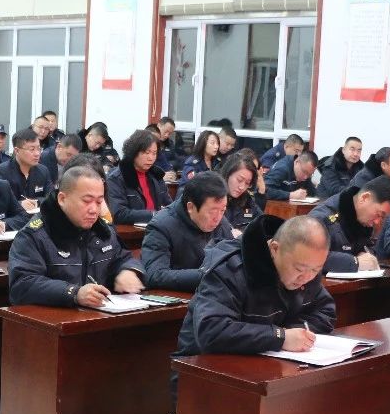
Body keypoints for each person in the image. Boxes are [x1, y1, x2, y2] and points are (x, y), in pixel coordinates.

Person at [174, 215, 337, 361]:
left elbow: (325, 311)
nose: (307, 278)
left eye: (316, 270)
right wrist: (279, 337)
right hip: (202, 369)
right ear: (274, 249)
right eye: (299, 269)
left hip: (267, 365)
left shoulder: (306, 266)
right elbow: (211, 331)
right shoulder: (229, 270)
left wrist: (293, 333)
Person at [7, 164, 144, 306]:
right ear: (62, 199)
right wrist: (73, 293)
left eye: (99, 202)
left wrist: (128, 270)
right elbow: (22, 285)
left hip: (101, 313)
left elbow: (123, 258)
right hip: (55, 316)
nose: (94, 209)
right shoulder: (35, 235)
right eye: (87, 201)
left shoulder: (103, 231)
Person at [143, 172, 233, 291]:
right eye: (212, 211)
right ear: (191, 207)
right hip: (178, 297)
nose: (218, 218)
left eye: (223, 210)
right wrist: (207, 275)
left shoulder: (221, 222)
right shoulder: (161, 225)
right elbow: (155, 275)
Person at [308, 177, 390, 273]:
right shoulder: (321, 219)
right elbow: (309, 256)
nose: (377, 222)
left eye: (383, 218)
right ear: (365, 198)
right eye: (379, 214)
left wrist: (365, 254)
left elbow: (370, 248)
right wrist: (355, 262)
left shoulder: (363, 220)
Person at [106, 130, 170, 225]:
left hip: (158, 227)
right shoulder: (117, 178)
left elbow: (169, 205)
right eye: (147, 153)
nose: (151, 158)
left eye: (154, 153)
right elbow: (119, 213)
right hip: (131, 231)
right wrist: (153, 214)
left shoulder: (156, 175)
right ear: (134, 152)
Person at [0, 129, 51, 208]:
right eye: (32, 149)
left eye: (39, 149)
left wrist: (37, 202)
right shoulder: (2, 171)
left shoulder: (43, 170)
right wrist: (19, 204)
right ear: (17, 151)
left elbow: (51, 197)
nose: (37, 153)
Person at [220, 153, 267, 232]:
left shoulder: (247, 200)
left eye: (247, 183)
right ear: (228, 174)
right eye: (239, 180)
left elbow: (263, 222)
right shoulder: (212, 197)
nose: (242, 187)